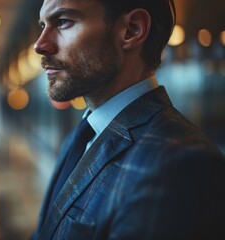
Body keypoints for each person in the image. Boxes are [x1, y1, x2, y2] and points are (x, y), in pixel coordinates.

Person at [31, 0, 225, 239]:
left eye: (63, 22)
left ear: (132, 29)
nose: (40, 45)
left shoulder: (180, 163)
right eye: (43, 25)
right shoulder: (82, 135)